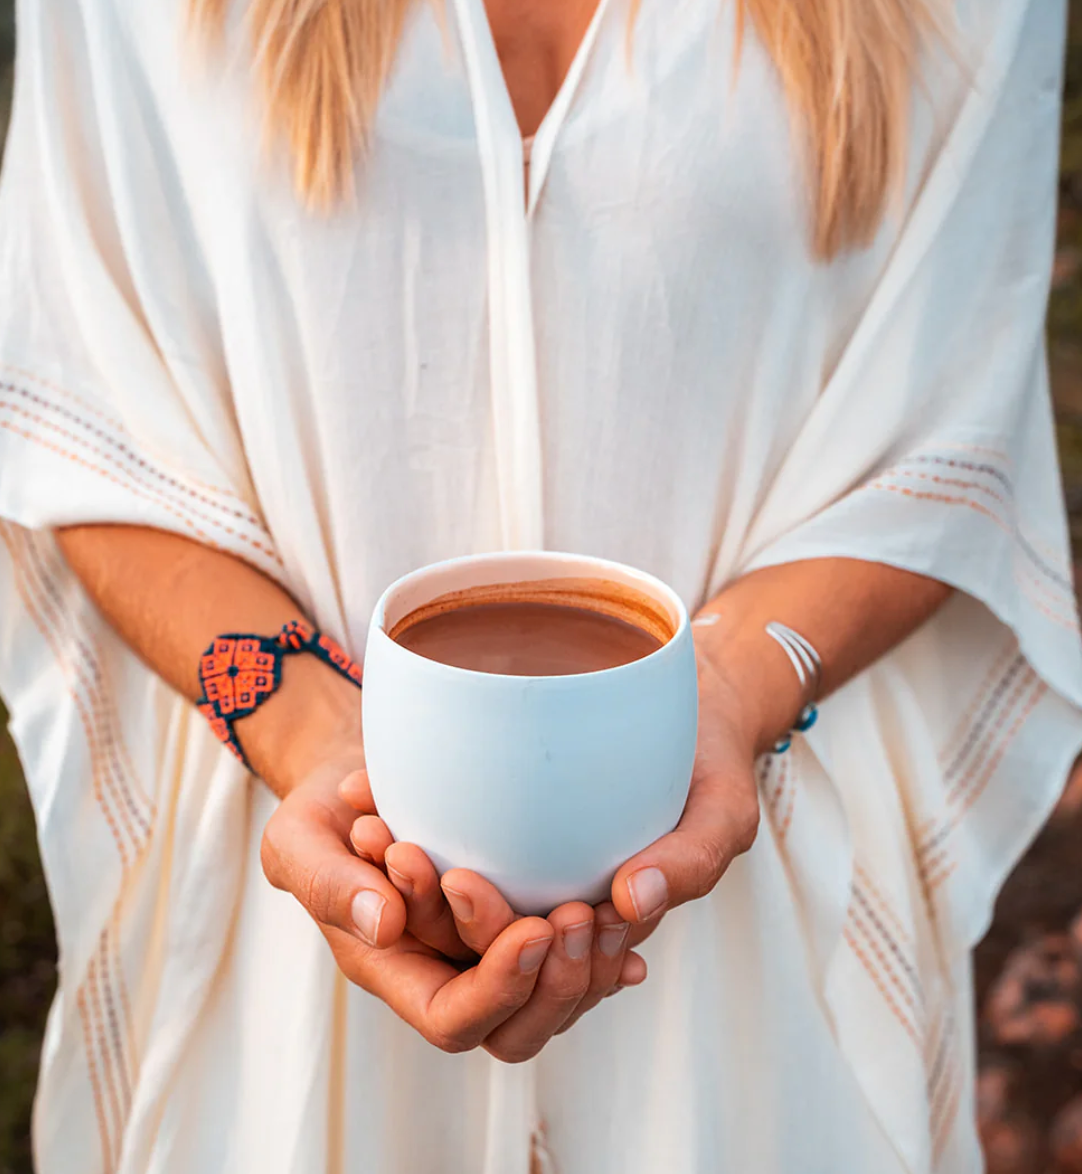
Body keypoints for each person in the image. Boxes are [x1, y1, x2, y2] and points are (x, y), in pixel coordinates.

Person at [0, 0, 1077, 1170]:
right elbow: (81, 412)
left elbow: (946, 431)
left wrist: (722, 691)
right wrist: (313, 745)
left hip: (744, 915)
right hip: (300, 911)